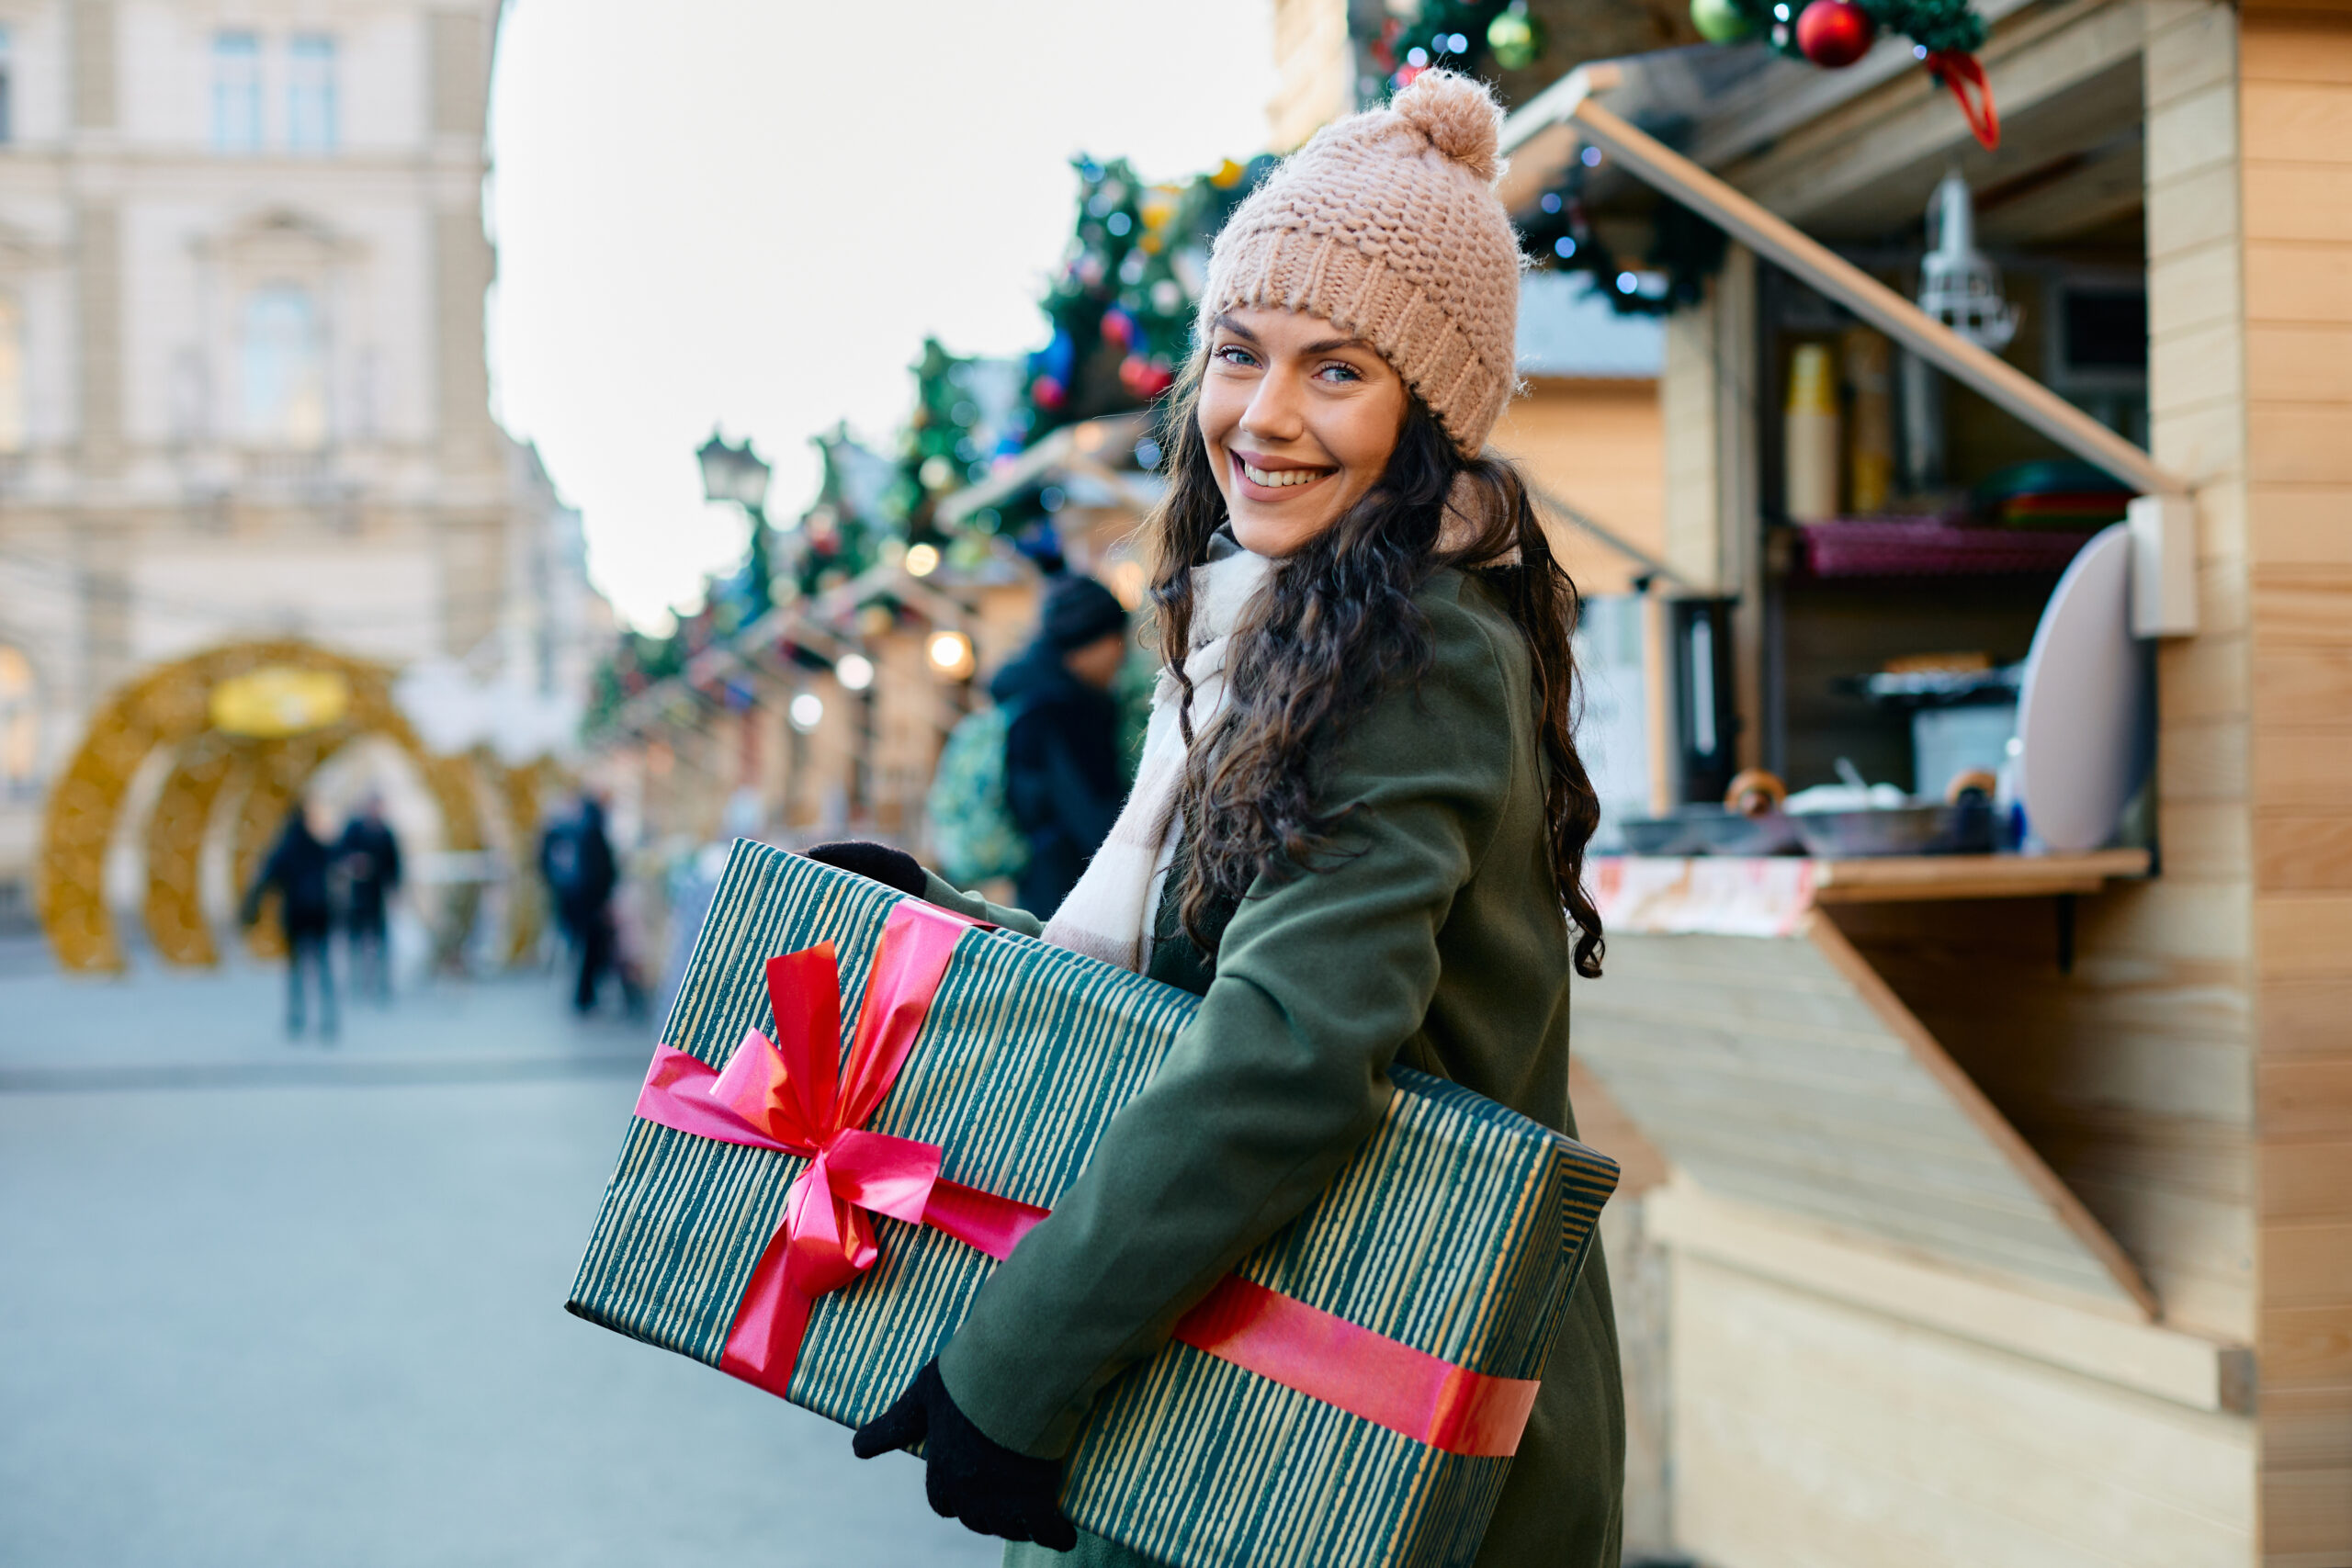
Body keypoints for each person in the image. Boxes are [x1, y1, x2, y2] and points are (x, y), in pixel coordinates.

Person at [814, 73, 1623, 1568]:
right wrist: (940, 919)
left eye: (1337, 372)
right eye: (1241, 354)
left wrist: (1012, 1369)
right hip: (1273, 1391)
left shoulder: (1404, 647)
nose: (1261, 415)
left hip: (1352, 1416)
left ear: (1430, 415)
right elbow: (1210, 973)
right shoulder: (1268, 640)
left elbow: (1289, 1054)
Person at [989, 574, 1131, 914]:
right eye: (1116, 638)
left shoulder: (1029, 700)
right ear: (1088, 642)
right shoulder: (1064, 713)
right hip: (1069, 897)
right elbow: (1095, 822)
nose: (1121, 654)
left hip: (1039, 886)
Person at [242, 799, 341, 1042]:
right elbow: (337, 863)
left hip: (295, 916)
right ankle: (328, 1019)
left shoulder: (284, 848)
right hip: (319, 915)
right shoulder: (316, 845)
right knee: (323, 969)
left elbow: (266, 880)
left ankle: (297, 1018)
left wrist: (250, 910)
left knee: (297, 971)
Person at [550, 794, 619, 1013]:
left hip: (581, 902)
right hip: (591, 903)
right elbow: (600, 872)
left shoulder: (580, 833)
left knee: (586, 951)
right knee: (591, 951)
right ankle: (585, 997)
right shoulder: (591, 834)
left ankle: (585, 996)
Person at [335, 795, 401, 1005]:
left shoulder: (386, 833)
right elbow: (339, 855)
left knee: (380, 944)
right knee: (356, 943)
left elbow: (395, 866)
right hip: (356, 896)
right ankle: (357, 986)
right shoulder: (354, 830)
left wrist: (394, 889)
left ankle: (381, 987)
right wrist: (353, 864)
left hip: (377, 897)